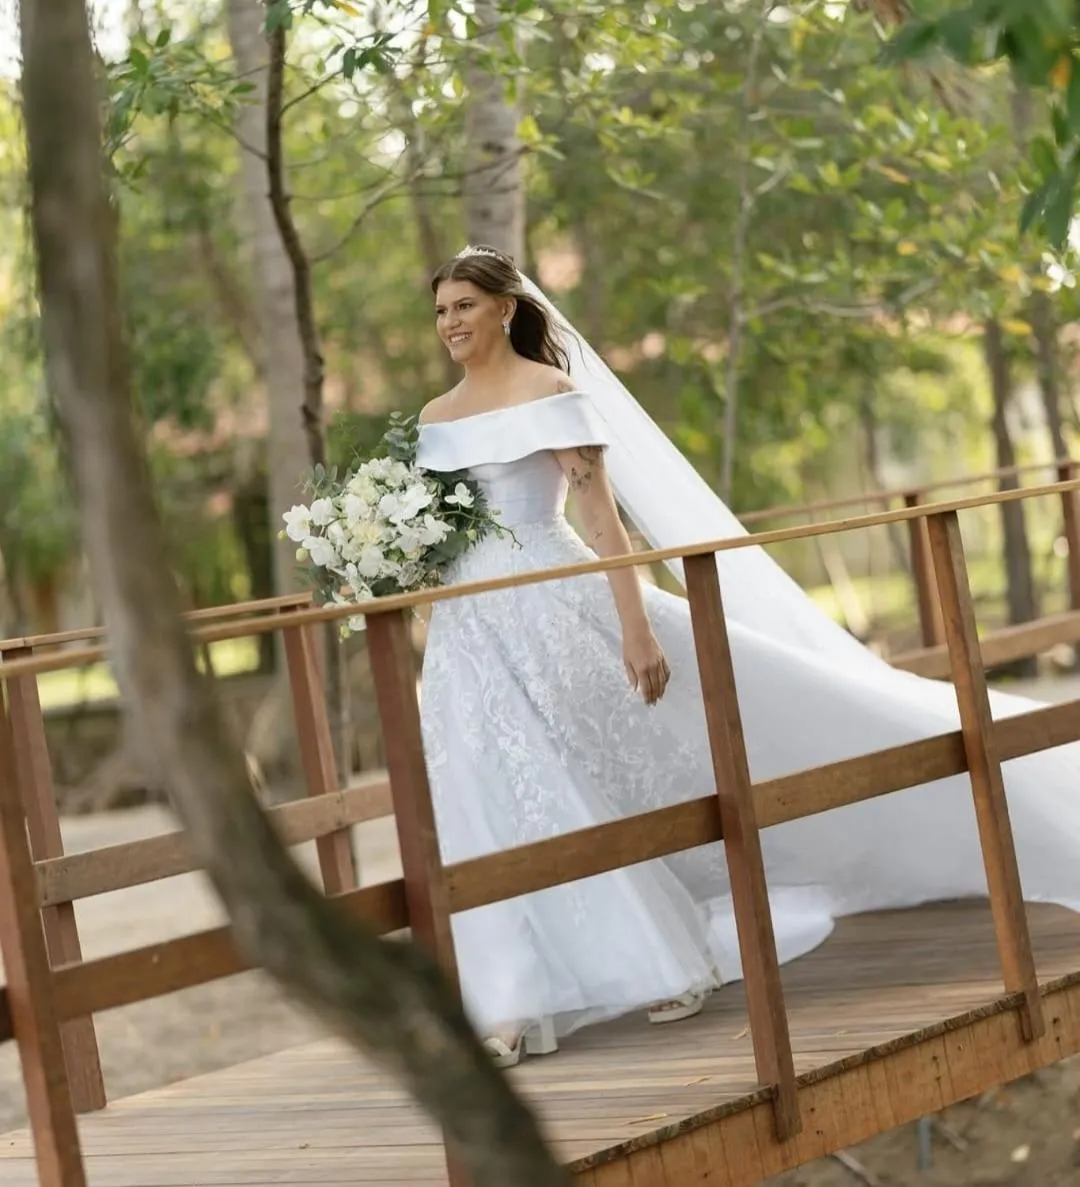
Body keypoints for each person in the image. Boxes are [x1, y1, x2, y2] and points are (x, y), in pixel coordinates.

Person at [415, 244, 1080, 1069]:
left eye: (464, 307)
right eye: (441, 310)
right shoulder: (435, 419)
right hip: (467, 633)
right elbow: (437, 534)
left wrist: (636, 625)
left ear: (504, 309)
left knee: (586, 772)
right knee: (484, 791)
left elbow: (598, 517)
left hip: (555, 604)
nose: (450, 323)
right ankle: (508, 995)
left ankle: (662, 946)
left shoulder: (551, 394)